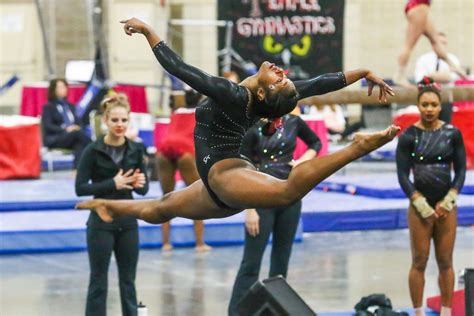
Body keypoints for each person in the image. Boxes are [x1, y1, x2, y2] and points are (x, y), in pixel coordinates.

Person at [76, 17, 399, 228]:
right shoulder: (260, 98)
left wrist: (148, 31)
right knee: (161, 210)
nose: (280, 72)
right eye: (283, 77)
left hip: (227, 175)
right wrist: (361, 73)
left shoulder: (232, 95)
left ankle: (356, 149)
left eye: (278, 79)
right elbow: (318, 84)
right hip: (216, 190)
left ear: (263, 92)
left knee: (287, 193)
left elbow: (181, 69)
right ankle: (107, 204)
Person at [228, 108, 322, 315]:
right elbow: (242, 168)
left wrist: (302, 161)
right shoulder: (253, 126)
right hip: (261, 196)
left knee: (281, 260)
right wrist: (249, 208)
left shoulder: (294, 122)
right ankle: (236, 312)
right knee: (251, 262)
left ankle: (275, 310)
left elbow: (316, 142)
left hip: (289, 197)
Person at [396, 77, 466, 316]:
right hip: (420, 207)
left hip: (446, 205)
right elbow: (402, 174)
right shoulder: (408, 136)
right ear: (418, 105)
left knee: (446, 261)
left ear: (440, 106)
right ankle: (418, 312)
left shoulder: (452, 134)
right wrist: (418, 201)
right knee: (419, 261)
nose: (429, 109)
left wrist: (450, 198)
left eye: (433, 105)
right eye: (424, 105)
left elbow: (461, 170)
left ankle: (446, 311)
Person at [75, 94, 149, 316]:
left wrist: (138, 183)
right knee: (98, 280)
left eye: (124, 120)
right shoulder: (92, 150)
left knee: (128, 281)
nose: (120, 125)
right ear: (105, 120)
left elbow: (143, 189)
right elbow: (80, 188)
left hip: (127, 221)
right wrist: (113, 183)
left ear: (129, 121)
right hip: (101, 222)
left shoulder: (136, 149)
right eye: (115, 120)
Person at [158, 86, 211, 252]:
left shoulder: (176, 111)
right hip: (185, 150)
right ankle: (200, 243)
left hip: (165, 147)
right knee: (198, 196)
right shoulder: (201, 113)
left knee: (166, 197)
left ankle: (165, 243)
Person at [394, 0, 466, 87]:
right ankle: (399, 75)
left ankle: (452, 65)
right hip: (418, 7)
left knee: (435, 40)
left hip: (420, 7)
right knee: (409, 45)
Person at [41, 78, 91, 168]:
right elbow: (48, 126)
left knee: (79, 143)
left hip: (73, 136)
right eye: (59, 87)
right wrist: (66, 129)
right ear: (53, 90)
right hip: (55, 138)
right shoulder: (48, 107)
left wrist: (77, 127)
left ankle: (77, 170)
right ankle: (96, 149)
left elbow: (79, 122)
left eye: (64, 87)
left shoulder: (70, 106)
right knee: (77, 135)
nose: (62, 89)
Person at [414, 32, 461, 123]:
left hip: (446, 98)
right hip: (427, 98)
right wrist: (442, 76)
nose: (442, 46)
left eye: (444, 43)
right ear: (433, 44)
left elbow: (452, 77)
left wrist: (431, 75)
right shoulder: (423, 59)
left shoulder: (452, 59)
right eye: (440, 43)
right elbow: (419, 78)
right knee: (428, 126)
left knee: (445, 127)